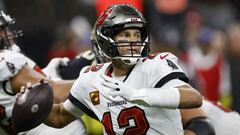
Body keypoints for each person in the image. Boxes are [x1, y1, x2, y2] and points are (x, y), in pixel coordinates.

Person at [39, 4, 205, 135]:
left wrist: (137, 96)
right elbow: (60, 116)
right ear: (106, 39)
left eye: (137, 35)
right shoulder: (91, 78)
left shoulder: (156, 65)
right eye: (126, 35)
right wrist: (32, 104)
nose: (133, 41)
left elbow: (193, 97)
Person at [0, 11, 86, 135]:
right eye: (2, 30)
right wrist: (95, 77)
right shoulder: (5, 61)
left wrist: (53, 72)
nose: (9, 34)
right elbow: (53, 93)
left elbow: (25, 90)